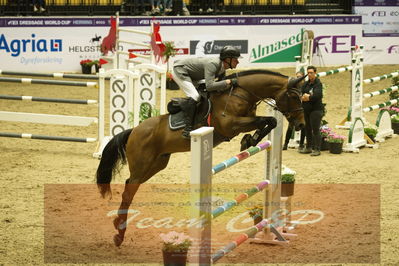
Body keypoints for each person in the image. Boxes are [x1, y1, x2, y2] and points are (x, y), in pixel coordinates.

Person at [172, 45, 241, 138]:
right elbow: (210, 86)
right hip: (180, 71)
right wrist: (228, 81)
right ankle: (187, 129)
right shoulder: (213, 64)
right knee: (195, 96)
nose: (238, 62)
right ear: (228, 59)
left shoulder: (222, 68)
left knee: (203, 93)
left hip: (194, 75)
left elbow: (219, 87)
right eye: (235, 59)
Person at [300, 65, 324, 156]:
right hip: (306, 110)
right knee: (307, 129)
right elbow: (301, 93)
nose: (309, 74)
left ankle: (317, 149)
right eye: (308, 73)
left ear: (315, 73)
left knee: (315, 129)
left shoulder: (318, 83)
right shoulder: (305, 84)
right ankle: (308, 147)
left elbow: (318, 95)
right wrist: (304, 97)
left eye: (311, 73)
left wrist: (308, 97)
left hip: (316, 110)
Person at [283, 71, 306, 150]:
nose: (298, 78)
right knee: (290, 126)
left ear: (303, 77)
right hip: (294, 109)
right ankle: (286, 143)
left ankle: (301, 144)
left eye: (300, 77)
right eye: (297, 77)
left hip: (302, 108)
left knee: (303, 126)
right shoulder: (294, 86)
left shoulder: (305, 86)